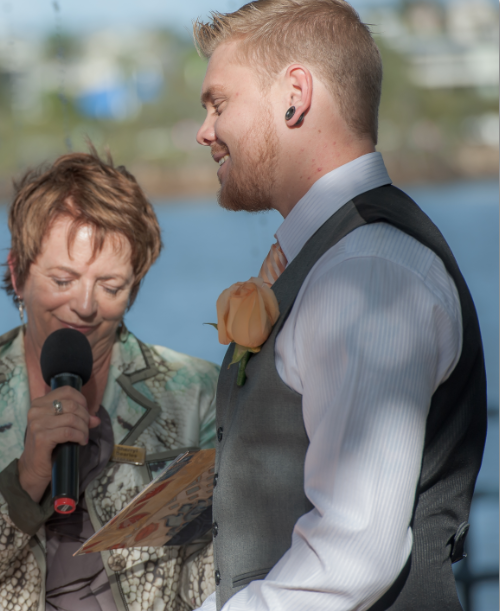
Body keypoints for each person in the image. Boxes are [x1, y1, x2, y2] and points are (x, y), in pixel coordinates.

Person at [190, 1, 487, 610]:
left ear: (295, 96)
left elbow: (353, 551)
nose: (204, 131)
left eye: (219, 104)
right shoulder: (338, 257)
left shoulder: (368, 271)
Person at [0, 151, 220, 611]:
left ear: (134, 288)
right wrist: (27, 478)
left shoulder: (195, 392)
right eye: (63, 280)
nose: (85, 306)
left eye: (110, 287)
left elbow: (211, 586)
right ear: (18, 274)